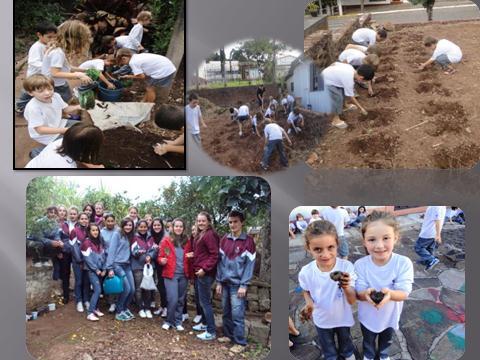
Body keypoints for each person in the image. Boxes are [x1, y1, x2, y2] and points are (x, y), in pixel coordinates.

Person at [355, 211, 414, 360]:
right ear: (364, 241)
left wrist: (390, 294)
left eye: (386, 238)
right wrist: (365, 294)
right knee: (368, 339)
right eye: (372, 239)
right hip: (367, 316)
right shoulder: (360, 265)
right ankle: (368, 355)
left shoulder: (403, 263)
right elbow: (358, 292)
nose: (379, 245)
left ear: (396, 238)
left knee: (386, 340)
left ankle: (383, 355)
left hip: (390, 316)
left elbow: (404, 292)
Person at [299, 220, 356, 360]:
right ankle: (331, 356)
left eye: (331, 247)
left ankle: (347, 353)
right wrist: (309, 303)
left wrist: (347, 286)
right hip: (322, 318)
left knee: (345, 339)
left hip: (342, 316)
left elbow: (352, 300)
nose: (325, 254)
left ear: (337, 245)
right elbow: (305, 290)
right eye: (318, 249)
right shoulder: (306, 272)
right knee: (327, 343)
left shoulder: (347, 267)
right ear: (308, 248)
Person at [216, 210, 256, 353]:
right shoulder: (224, 239)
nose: (232, 225)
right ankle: (228, 335)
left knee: (237, 315)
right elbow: (219, 263)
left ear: (242, 222)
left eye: (235, 222)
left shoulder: (248, 241)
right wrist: (219, 282)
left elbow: (249, 265)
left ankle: (240, 342)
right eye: (230, 222)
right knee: (226, 312)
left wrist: (244, 285)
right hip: (225, 283)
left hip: (238, 285)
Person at [22, 75, 83, 158]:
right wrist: (64, 130)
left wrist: (78, 106)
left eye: (50, 89)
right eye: (41, 91)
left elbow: (65, 109)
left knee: (83, 128)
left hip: (59, 123)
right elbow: (40, 130)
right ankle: (38, 152)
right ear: (30, 93)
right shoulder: (33, 108)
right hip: (46, 134)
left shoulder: (55, 96)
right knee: (70, 146)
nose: (47, 93)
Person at [41, 20, 94, 102]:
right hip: (55, 86)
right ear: (70, 38)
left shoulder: (60, 50)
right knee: (64, 103)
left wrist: (85, 70)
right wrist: (78, 75)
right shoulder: (58, 53)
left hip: (58, 83)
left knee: (67, 99)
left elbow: (67, 67)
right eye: (80, 40)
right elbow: (55, 73)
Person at [15, 22, 57, 113]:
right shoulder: (36, 47)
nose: (52, 39)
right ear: (39, 35)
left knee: (38, 91)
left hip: (42, 76)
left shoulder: (48, 45)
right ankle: (20, 106)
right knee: (30, 91)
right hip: (34, 77)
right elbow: (33, 62)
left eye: (54, 37)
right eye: (49, 37)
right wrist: (47, 66)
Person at [158, 218, 192, 331]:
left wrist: (192, 256)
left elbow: (192, 254)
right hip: (170, 274)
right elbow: (160, 256)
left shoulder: (187, 241)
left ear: (183, 228)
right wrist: (161, 260)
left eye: (181, 226)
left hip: (183, 274)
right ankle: (169, 321)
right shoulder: (166, 241)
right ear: (172, 227)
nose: (178, 228)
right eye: (176, 226)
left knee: (181, 299)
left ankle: (178, 322)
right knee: (172, 299)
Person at [25, 122, 104, 168]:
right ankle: (35, 152)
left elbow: (76, 154)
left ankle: (35, 152)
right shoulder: (67, 167)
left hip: (36, 163)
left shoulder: (61, 142)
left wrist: (92, 166)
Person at [192, 212, 220, 341]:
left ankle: (211, 331)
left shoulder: (209, 235)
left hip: (206, 273)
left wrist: (205, 268)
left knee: (205, 302)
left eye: (203, 221)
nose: (201, 223)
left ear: (208, 221)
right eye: (199, 221)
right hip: (199, 271)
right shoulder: (201, 234)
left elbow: (214, 255)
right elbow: (204, 252)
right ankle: (204, 324)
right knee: (200, 300)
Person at [322, 62, 375, 129]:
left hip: (330, 77)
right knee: (338, 97)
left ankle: (345, 106)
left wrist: (332, 72)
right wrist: (361, 108)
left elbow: (335, 63)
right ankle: (335, 120)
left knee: (342, 90)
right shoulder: (348, 79)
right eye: (364, 81)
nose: (363, 83)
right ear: (361, 78)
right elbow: (351, 96)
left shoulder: (351, 68)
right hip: (325, 81)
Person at [105, 217, 136, 321]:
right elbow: (111, 251)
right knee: (126, 289)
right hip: (117, 265)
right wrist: (109, 268)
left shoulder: (130, 236)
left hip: (127, 265)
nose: (128, 227)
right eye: (126, 225)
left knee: (132, 290)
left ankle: (124, 308)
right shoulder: (117, 234)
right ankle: (119, 311)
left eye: (130, 225)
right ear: (122, 225)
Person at [131, 220, 158, 319]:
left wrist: (149, 256)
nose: (143, 229)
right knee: (138, 288)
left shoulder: (151, 237)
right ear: (137, 228)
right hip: (137, 266)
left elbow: (155, 249)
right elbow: (134, 251)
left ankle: (147, 308)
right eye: (140, 227)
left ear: (147, 227)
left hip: (148, 266)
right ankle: (140, 308)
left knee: (148, 288)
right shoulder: (134, 237)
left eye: (144, 227)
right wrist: (144, 252)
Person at [81, 223, 107, 321]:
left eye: (97, 230)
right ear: (89, 231)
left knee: (98, 290)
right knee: (97, 290)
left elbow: (104, 257)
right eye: (93, 230)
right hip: (92, 271)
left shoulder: (100, 242)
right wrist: (96, 269)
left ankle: (96, 308)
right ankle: (90, 312)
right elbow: (87, 259)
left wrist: (104, 269)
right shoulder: (86, 243)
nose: (95, 232)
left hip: (100, 270)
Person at [69, 212, 91, 312]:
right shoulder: (74, 231)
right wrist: (80, 260)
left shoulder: (90, 231)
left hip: (88, 262)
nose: (84, 220)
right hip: (78, 261)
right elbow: (74, 247)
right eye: (82, 219)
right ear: (78, 220)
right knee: (79, 281)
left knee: (87, 281)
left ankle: (86, 300)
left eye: (86, 219)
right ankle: (79, 301)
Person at [414, 206, 446, 270]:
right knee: (429, 248)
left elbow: (438, 220)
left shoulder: (436, 206)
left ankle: (432, 260)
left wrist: (438, 234)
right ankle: (427, 261)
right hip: (432, 232)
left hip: (428, 232)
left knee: (418, 248)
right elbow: (434, 215)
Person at [150, 218, 170, 317]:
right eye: (155, 225)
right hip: (156, 263)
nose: (156, 227)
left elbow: (168, 251)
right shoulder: (151, 236)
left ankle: (166, 308)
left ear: (162, 226)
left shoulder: (166, 236)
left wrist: (163, 255)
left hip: (165, 264)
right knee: (160, 285)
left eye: (158, 225)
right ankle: (162, 307)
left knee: (163, 285)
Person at [101, 213, 119, 313]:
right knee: (110, 280)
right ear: (105, 221)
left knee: (118, 281)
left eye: (112, 221)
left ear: (115, 221)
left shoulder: (119, 231)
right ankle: (111, 303)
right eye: (108, 221)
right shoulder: (102, 232)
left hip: (118, 259)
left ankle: (118, 301)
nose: (110, 223)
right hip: (106, 259)